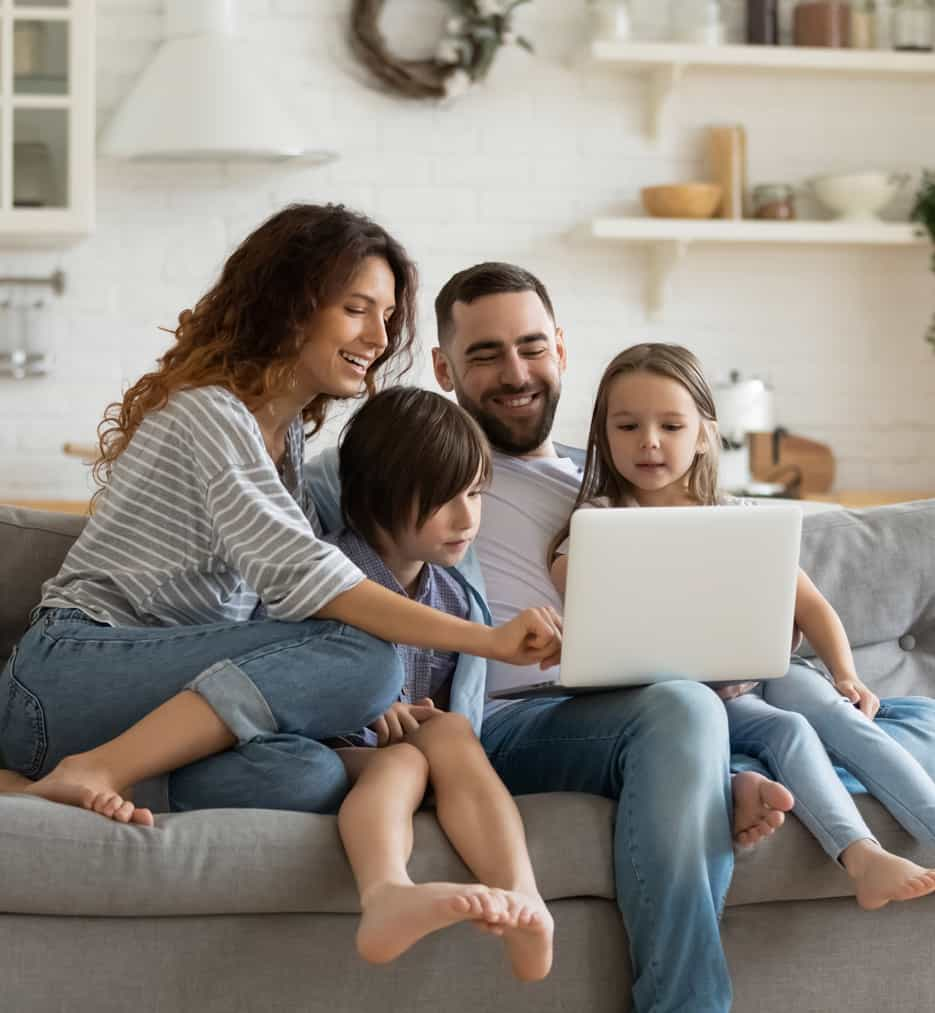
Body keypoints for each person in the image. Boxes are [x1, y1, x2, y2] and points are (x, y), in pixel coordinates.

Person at [306, 262, 797, 1013]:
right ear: (443, 367)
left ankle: (710, 776)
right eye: (485, 354)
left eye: (531, 347)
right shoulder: (405, 467)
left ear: (561, 349)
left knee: (715, 707)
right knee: (681, 710)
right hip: (502, 721)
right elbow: (298, 568)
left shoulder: (614, 473)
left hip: (625, 701)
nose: (515, 372)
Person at [0, 206, 561, 829]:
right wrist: (489, 640)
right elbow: (311, 581)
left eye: (387, 316)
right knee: (369, 660)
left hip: (150, 700)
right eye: (357, 308)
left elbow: (280, 614)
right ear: (290, 305)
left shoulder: (286, 440)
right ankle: (94, 771)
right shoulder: (209, 415)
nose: (378, 338)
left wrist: (345, 699)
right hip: (74, 674)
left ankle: (54, 781)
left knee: (310, 775)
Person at [547, 341, 935, 912]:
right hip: (694, 698)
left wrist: (847, 674)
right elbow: (577, 593)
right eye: (627, 426)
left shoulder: (739, 517)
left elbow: (814, 608)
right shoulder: (599, 526)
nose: (648, 441)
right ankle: (862, 856)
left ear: (703, 433)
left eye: (670, 425)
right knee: (790, 732)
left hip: (766, 669)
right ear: (603, 435)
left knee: (833, 711)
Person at [324, 386, 553, 981]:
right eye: (443, 499)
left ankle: (525, 899)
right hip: (332, 748)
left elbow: (451, 707)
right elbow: (291, 676)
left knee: (448, 734)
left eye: (475, 493)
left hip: (417, 751)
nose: (468, 517)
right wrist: (366, 707)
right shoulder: (327, 577)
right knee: (405, 764)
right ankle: (388, 892)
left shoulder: (452, 595)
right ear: (377, 498)